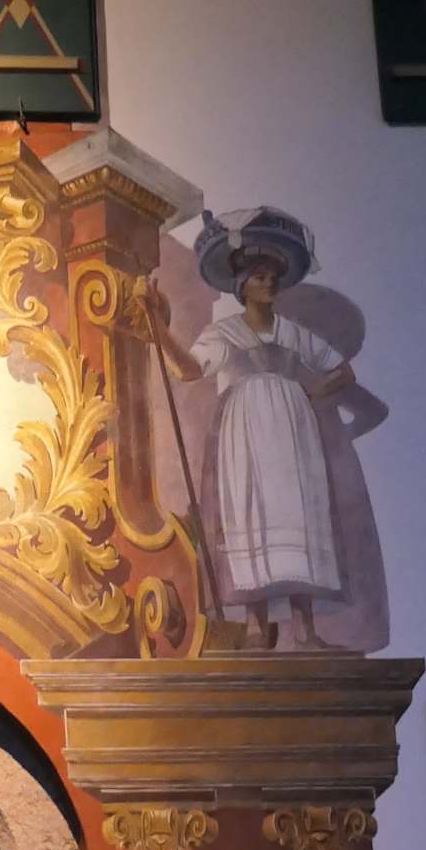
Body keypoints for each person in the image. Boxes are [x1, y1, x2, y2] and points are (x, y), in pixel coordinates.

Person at [138, 208, 364, 652]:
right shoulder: (224, 333)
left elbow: (343, 371)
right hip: (244, 429)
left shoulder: (292, 333)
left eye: (274, 277)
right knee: (251, 515)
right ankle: (257, 629)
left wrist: (311, 392)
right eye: (261, 276)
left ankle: (305, 630)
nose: (270, 283)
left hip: (293, 431)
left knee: (297, 514)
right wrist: (160, 331)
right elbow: (189, 370)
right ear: (243, 285)